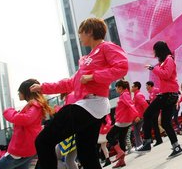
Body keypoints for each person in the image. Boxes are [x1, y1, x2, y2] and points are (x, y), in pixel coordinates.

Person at [33, 18, 128, 169]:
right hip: (90, 107)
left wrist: (93, 76)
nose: (79, 36)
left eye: (80, 33)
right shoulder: (88, 58)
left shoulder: (106, 47)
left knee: (43, 141)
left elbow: (122, 67)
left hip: (90, 105)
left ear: (89, 31)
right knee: (86, 155)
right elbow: (70, 83)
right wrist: (43, 87)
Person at [136, 41, 182, 159]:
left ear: (159, 50)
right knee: (166, 123)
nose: (154, 53)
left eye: (155, 50)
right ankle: (176, 147)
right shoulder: (165, 61)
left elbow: (166, 74)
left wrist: (153, 68)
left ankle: (147, 142)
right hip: (168, 94)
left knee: (147, 114)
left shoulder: (169, 59)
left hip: (168, 94)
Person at [0, 79, 52, 169]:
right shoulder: (36, 105)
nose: (18, 94)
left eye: (19, 91)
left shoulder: (35, 105)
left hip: (20, 149)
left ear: (26, 92)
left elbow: (25, 119)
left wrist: (8, 111)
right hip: (28, 149)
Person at [107, 80, 139, 168]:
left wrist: (136, 115)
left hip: (122, 122)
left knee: (109, 136)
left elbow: (130, 105)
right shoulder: (125, 94)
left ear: (120, 88)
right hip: (125, 121)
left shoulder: (124, 95)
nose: (116, 89)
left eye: (116, 88)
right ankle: (122, 161)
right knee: (121, 140)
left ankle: (120, 152)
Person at [130, 82, 148, 149]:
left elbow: (145, 105)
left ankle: (140, 145)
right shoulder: (135, 95)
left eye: (132, 86)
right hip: (137, 117)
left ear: (136, 87)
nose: (131, 88)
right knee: (136, 132)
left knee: (136, 132)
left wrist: (145, 115)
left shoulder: (138, 95)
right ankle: (139, 145)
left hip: (139, 117)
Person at [143, 81, 161, 145]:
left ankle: (159, 140)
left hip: (156, 110)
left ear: (150, 85)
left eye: (147, 86)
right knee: (154, 125)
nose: (146, 87)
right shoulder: (150, 93)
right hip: (153, 110)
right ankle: (159, 139)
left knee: (155, 125)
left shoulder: (156, 90)